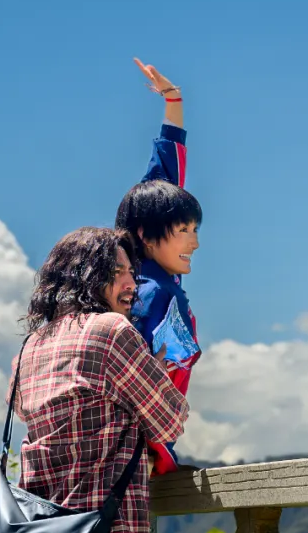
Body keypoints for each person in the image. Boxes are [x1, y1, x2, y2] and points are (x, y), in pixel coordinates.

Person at [7, 226, 189, 533]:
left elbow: (29, 415)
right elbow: (170, 417)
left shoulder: (30, 347)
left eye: (132, 270)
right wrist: (161, 369)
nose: (132, 282)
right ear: (89, 277)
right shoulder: (111, 332)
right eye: (120, 272)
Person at [115, 58, 202, 476]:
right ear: (148, 235)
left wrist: (173, 100)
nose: (195, 241)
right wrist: (151, 451)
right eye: (183, 229)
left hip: (148, 446)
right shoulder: (146, 295)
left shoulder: (146, 277)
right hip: (137, 454)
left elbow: (166, 175)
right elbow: (136, 379)